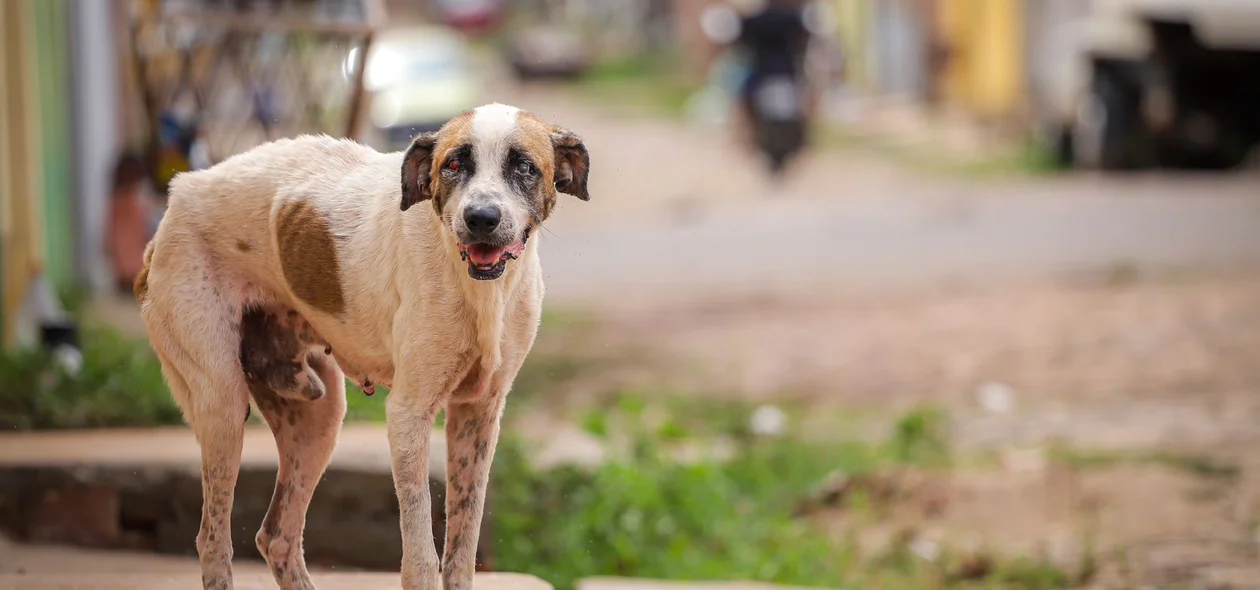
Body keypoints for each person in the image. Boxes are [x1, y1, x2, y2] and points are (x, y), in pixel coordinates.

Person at [105, 151, 157, 295]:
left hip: (124, 274)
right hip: (138, 272)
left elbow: (109, 239)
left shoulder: (115, 203)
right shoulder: (141, 202)